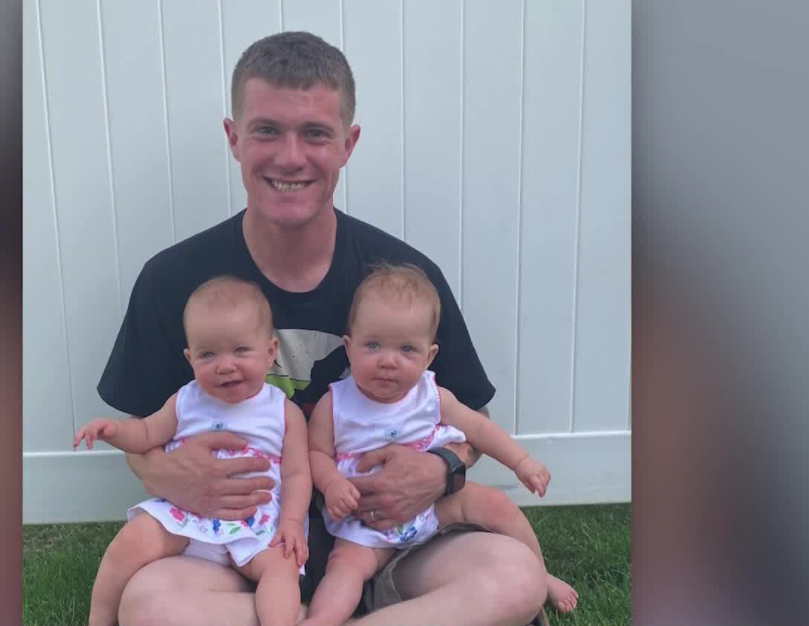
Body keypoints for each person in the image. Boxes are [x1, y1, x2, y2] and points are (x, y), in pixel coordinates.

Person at [98, 31, 549, 626]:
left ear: (347, 144)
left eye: (314, 133)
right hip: (238, 547)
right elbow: (143, 433)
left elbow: (470, 419)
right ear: (233, 138)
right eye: (267, 130)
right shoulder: (173, 280)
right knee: (150, 605)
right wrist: (166, 473)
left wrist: (442, 468)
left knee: (515, 577)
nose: (291, 157)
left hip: (391, 540)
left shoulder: (404, 279)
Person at [301, 264, 578, 626]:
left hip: (435, 503)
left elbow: (478, 428)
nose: (388, 360)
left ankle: (541, 575)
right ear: (349, 348)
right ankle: (321, 620)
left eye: (406, 349)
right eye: (373, 345)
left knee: (498, 506)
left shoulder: (432, 396)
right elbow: (316, 454)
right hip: (365, 519)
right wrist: (332, 483)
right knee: (344, 567)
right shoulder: (334, 404)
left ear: (429, 356)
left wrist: (521, 461)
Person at [76, 277, 311, 626]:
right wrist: (114, 431)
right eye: (208, 354)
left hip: (257, 524)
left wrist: (291, 523)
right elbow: (146, 433)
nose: (225, 365)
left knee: (282, 568)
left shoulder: (283, 411)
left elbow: (297, 473)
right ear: (190, 358)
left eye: (240, 350)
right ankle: (99, 619)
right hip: (187, 517)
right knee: (132, 539)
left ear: (270, 351)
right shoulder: (186, 401)